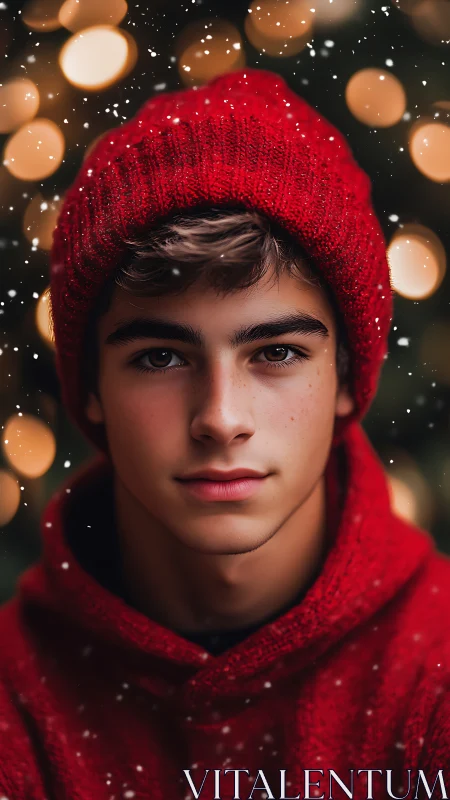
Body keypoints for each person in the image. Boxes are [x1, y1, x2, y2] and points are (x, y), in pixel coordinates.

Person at [0, 67, 449, 800]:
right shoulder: (12, 703)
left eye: (275, 353)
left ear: (344, 379)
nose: (221, 418)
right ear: (89, 388)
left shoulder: (436, 680)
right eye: (160, 357)